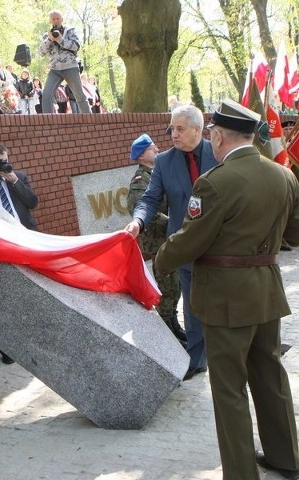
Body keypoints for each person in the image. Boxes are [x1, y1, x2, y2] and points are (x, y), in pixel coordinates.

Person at [154, 99, 299, 480]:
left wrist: (159, 262)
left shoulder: (215, 182)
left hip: (225, 298)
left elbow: (190, 241)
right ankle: (287, 459)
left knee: (229, 389)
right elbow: (295, 232)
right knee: (270, 376)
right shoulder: (284, 176)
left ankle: (240, 473)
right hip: (266, 290)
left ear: (217, 136)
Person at [124, 105, 218, 381]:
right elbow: (150, 199)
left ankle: (231, 352)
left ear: (198, 129)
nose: (172, 134)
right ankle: (197, 359)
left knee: (225, 300)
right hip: (184, 244)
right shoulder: (165, 162)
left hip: (221, 243)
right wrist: (138, 221)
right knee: (191, 305)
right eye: (171, 129)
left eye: (179, 129)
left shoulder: (219, 153)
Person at [0, 143, 39, 364]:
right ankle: (8, 349)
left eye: (5, 159)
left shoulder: (18, 176)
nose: (3, 165)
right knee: (6, 295)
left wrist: (13, 179)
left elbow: (32, 202)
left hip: (25, 240)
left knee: (31, 291)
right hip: (0, 244)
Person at [126, 134, 185, 346]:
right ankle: (168, 336)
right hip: (158, 242)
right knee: (167, 288)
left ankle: (174, 326)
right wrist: (175, 223)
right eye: (152, 148)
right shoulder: (140, 180)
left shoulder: (156, 174)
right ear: (142, 155)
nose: (158, 149)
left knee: (174, 287)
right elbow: (140, 209)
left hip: (168, 240)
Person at [38, 10, 91, 114]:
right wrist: (49, 39)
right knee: (46, 94)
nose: (56, 21)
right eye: (53, 19)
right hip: (55, 69)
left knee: (79, 95)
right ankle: (48, 123)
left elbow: (76, 46)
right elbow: (41, 52)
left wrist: (60, 40)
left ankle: (90, 120)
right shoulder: (46, 35)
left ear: (62, 19)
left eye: (58, 18)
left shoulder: (70, 31)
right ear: (50, 21)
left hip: (70, 67)